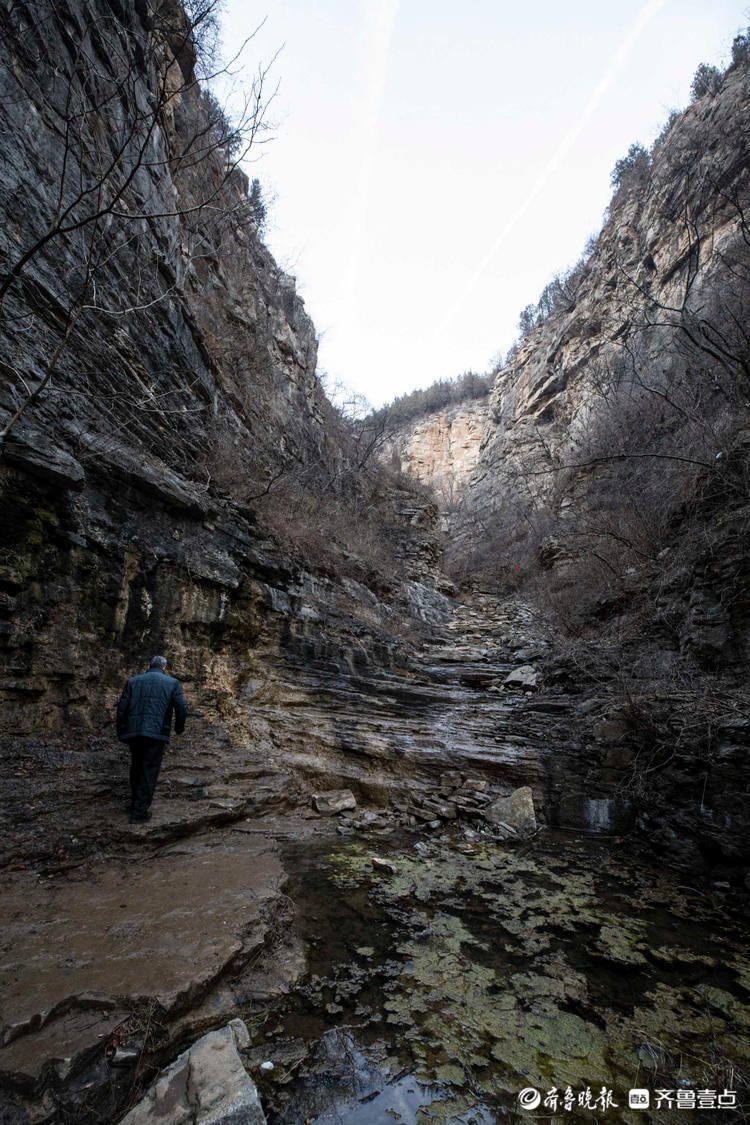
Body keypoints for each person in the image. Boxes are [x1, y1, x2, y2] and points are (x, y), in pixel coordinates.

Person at [116, 655, 187, 824]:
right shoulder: (172, 683)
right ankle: (140, 811)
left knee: (136, 767)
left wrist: (122, 731)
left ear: (149, 665)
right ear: (164, 667)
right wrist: (179, 728)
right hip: (156, 733)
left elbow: (121, 708)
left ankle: (135, 804)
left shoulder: (133, 682)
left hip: (134, 732)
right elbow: (182, 707)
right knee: (149, 769)